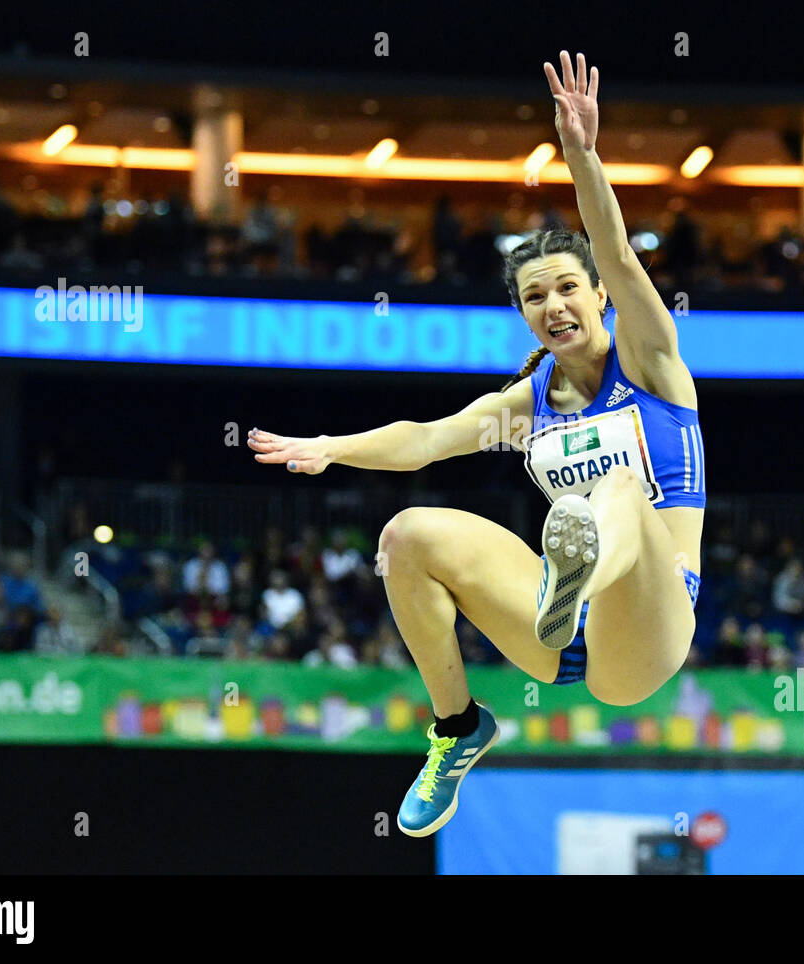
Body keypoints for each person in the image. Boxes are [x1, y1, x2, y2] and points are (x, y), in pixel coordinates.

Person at [247, 51, 705, 838]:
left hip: (648, 627)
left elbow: (619, 248)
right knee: (407, 536)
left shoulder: (653, 367)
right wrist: (331, 445)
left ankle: (579, 571)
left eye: (568, 287)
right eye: (536, 296)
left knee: (619, 493)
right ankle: (458, 727)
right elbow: (423, 440)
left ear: (600, 296)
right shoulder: (524, 407)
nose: (554, 305)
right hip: (558, 639)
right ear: (525, 316)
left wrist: (582, 156)